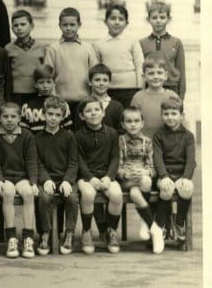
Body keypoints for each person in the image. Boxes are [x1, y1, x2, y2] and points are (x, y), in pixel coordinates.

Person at [0, 102, 38, 259]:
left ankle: (28, 237)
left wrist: (33, 182)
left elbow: (32, 161)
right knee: (7, 193)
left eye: (13, 116)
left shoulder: (27, 136)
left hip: (22, 176)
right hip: (5, 177)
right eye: (5, 116)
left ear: (19, 118)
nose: (9, 120)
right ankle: (11, 238)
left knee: (29, 193)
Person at [75, 97, 122, 254]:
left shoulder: (112, 133)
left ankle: (111, 231)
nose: (93, 113)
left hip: (106, 175)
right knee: (88, 194)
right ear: (82, 116)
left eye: (97, 110)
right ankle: (87, 231)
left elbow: (115, 157)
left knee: (116, 194)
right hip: (86, 176)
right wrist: (90, 178)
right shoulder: (78, 136)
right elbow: (79, 160)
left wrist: (109, 176)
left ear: (103, 113)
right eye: (88, 111)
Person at [33, 96, 79, 255]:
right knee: (44, 198)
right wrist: (45, 180)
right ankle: (45, 233)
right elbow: (37, 163)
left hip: (65, 178)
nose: (53, 118)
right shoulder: (36, 138)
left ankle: (69, 233)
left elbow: (73, 162)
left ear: (63, 117)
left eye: (58, 115)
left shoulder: (69, 137)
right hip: (47, 179)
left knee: (72, 198)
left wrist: (67, 181)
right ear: (43, 114)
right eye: (50, 114)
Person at [116, 107, 164, 254]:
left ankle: (147, 223)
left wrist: (145, 172)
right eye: (129, 121)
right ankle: (153, 226)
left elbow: (152, 167)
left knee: (137, 191)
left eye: (136, 121)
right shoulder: (120, 141)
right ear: (123, 124)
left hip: (141, 181)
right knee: (145, 182)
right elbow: (117, 166)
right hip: (125, 181)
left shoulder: (147, 142)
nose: (133, 124)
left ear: (142, 123)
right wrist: (126, 175)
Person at [153, 95, 196, 243]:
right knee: (166, 189)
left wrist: (186, 177)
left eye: (174, 113)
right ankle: (161, 225)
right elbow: (157, 158)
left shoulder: (188, 136)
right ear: (161, 115)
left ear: (181, 115)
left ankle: (179, 222)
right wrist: (163, 176)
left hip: (181, 174)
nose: (170, 117)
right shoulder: (159, 135)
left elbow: (191, 160)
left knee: (187, 189)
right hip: (165, 174)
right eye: (166, 114)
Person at [44, 7, 98, 119]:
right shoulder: (53, 48)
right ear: (60, 25)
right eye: (65, 25)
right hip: (60, 103)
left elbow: (95, 74)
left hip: (84, 102)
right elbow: (48, 76)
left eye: (72, 25)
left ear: (79, 25)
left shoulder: (88, 48)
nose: (68, 28)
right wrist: (54, 99)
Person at [93, 3, 144, 109]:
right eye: (113, 18)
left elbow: (140, 66)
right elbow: (96, 69)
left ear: (126, 23)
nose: (117, 22)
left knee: (128, 116)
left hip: (130, 89)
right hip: (107, 89)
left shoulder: (133, 41)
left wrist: (140, 89)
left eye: (121, 19)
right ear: (105, 21)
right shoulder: (98, 44)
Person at [139, 2, 186, 100]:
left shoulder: (176, 42)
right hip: (150, 87)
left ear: (169, 19)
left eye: (162, 17)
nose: (158, 21)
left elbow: (181, 70)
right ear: (148, 19)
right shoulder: (142, 43)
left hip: (171, 87)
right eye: (154, 17)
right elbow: (141, 70)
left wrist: (181, 96)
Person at [5, 9, 47, 106]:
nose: (19, 28)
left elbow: (45, 72)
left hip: (36, 92)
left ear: (32, 26)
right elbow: (6, 75)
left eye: (23, 24)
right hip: (16, 95)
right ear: (12, 29)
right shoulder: (8, 49)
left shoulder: (41, 47)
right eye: (16, 25)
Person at [19, 64, 73, 132]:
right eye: (41, 82)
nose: (45, 86)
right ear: (35, 84)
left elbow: (68, 131)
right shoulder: (27, 107)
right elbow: (25, 133)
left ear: (54, 83)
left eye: (49, 82)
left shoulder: (63, 105)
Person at [131, 58, 174, 138]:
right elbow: (132, 121)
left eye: (159, 73)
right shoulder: (138, 97)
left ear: (165, 75)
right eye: (151, 73)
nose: (155, 77)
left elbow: (180, 120)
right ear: (144, 77)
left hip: (168, 141)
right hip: (144, 141)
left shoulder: (172, 96)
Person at [73, 64, 124, 130]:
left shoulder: (117, 107)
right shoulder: (82, 105)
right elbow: (78, 130)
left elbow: (121, 131)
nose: (101, 83)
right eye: (97, 80)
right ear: (89, 82)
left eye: (105, 80)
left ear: (109, 83)